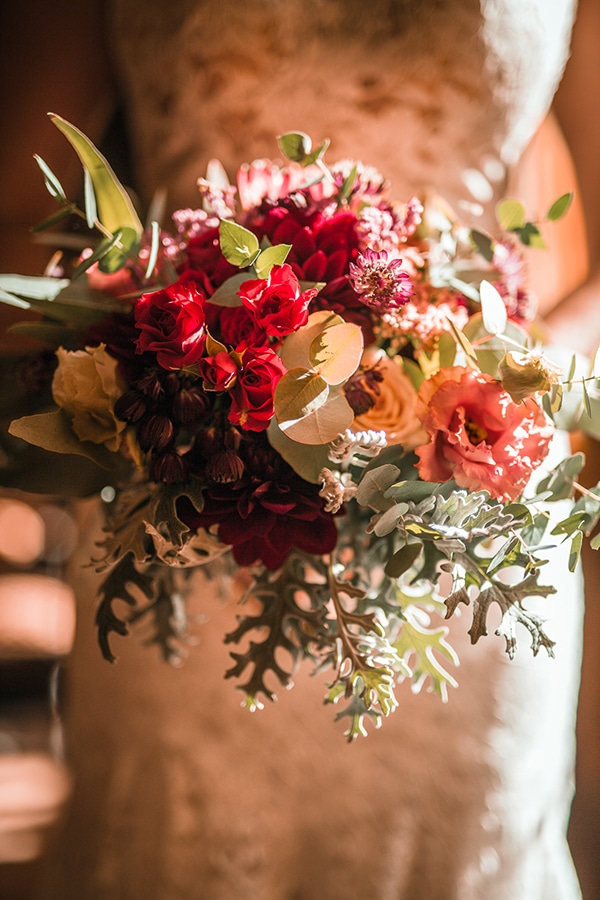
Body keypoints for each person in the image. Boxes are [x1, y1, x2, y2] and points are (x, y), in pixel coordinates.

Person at [0, 1, 598, 897]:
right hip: (190, 507)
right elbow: (17, 213)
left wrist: (497, 390)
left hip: (465, 522)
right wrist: (164, 361)